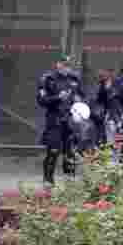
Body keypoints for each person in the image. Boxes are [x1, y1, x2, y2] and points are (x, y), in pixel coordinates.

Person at [37, 54, 87, 186]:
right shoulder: (48, 79)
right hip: (55, 119)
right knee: (53, 150)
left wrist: (79, 100)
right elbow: (41, 100)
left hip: (71, 121)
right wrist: (57, 98)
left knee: (70, 152)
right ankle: (48, 180)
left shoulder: (75, 78)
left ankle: (69, 180)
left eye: (68, 65)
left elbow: (82, 96)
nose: (66, 68)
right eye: (64, 65)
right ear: (57, 64)